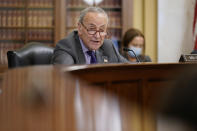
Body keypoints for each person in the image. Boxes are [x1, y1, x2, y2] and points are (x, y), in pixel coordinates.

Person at [51, 7, 129, 65]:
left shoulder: (108, 46)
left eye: (101, 30)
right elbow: (65, 78)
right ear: (80, 28)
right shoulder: (66, 47)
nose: (97, 36)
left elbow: (129, 69)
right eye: (92, 29)